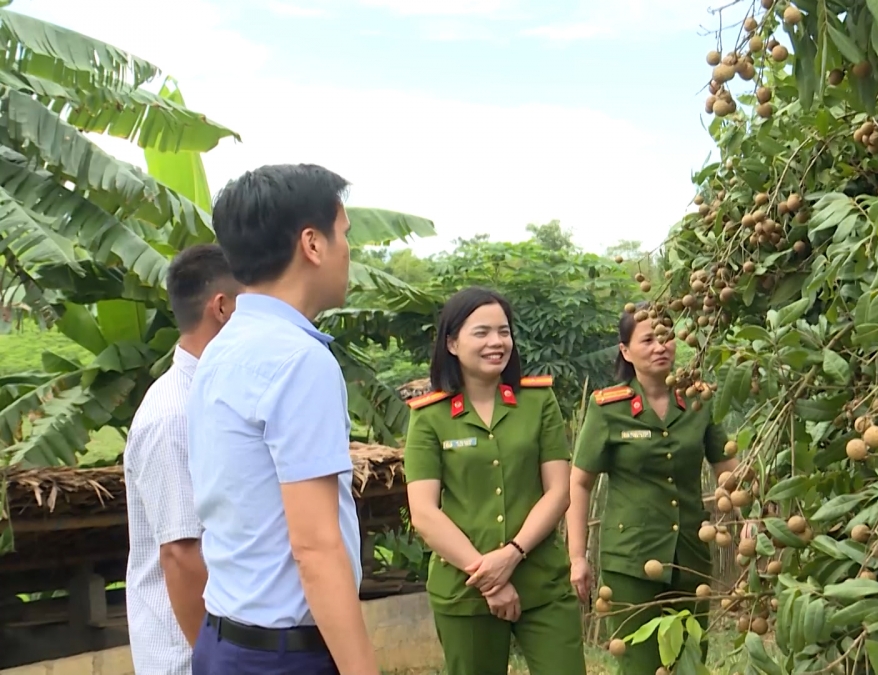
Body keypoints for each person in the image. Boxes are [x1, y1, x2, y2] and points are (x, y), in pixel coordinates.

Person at [186, 164, 377, 675]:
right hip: (283, 655)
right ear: (312, 244)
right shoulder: (299, 360)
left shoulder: (221, 350)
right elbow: (314, 547)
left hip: (224, 641)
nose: (348, 252)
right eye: (344, 235)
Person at [403, 287, 586, 675]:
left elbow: (558, 491)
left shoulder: (538, 402)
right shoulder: (429, 415)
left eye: (504, 331)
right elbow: (423, 512)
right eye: (481, 332)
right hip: (465, 589)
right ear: (452, 343)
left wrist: (512, 554)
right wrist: (488, 578)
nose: (496, 342)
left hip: (542, 583)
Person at [566, 302, 741, 675]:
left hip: (690, 555)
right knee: (639, 665)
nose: (660, 346)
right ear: (626, 351)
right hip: (631, 560)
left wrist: (754, 517)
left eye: (666, 337)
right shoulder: (608, 408)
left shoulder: (699, 401)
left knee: (690, 662)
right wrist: (577, 557)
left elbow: (730, 472)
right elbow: (579, 483)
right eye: (648, 340)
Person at [124, 244, 242, 675]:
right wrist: (216, 660)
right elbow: (182, 553)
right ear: (223, 308)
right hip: (190, 655)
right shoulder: (173, 415)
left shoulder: (213, 398)